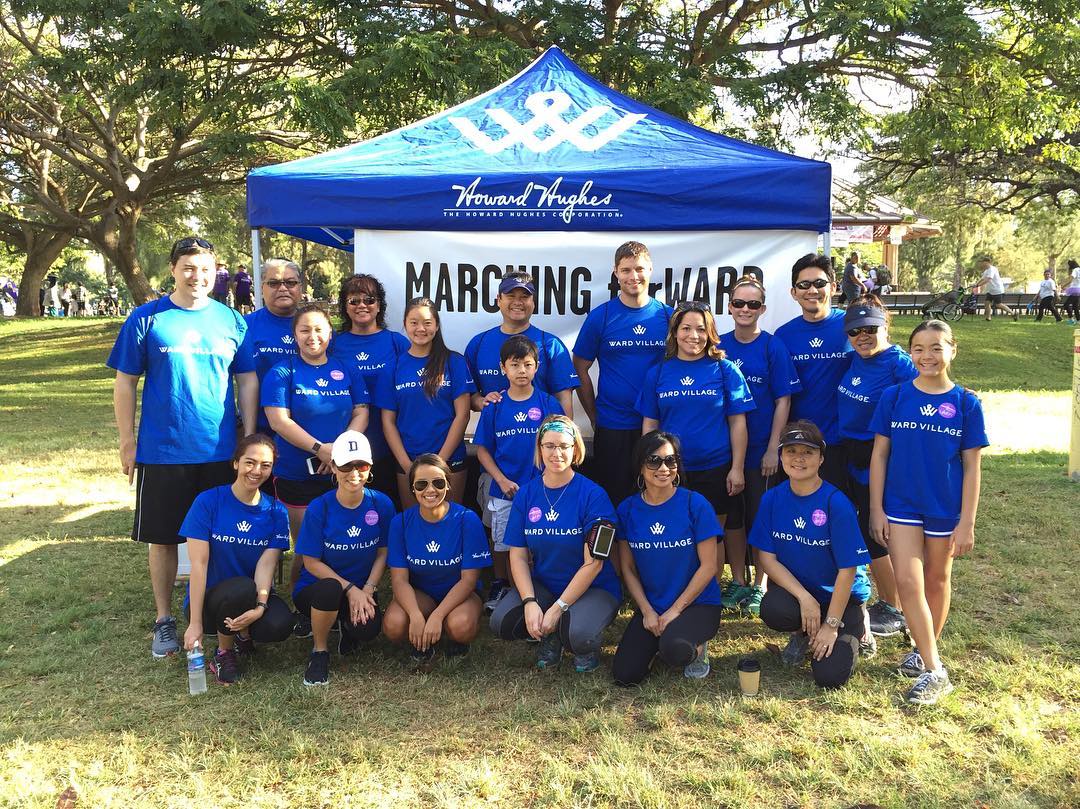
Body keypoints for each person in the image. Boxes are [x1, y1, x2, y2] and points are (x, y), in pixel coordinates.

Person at [108, 235, 258, 658]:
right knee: (164, 538)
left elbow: (246, 379)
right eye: (189, 268)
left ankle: (219, 615)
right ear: (173, 270)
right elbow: (125, 382)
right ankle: (164, 620)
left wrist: (246, 432)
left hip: (219, 448)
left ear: (216, 273)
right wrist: (127, 440)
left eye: (206, 269)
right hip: (163, 450)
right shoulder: (148, 318)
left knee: (222, 536)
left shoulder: (231, 320)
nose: (198, 276)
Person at [869, 320, 988, 704]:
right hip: (902, 505)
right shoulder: (894, 396)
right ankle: (936, 670)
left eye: (936, 348)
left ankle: (923, 650)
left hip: (945, 509)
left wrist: (966, 522)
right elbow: (880, 455)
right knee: (908, 583)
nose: (927, 356)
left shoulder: (966, 403)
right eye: (918, 348)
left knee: (937, 580)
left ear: (953, 350)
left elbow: (972, 467)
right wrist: (876, 508)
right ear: (910, 353)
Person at [636, 302, 754, 592]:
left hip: (715, 467)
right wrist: (649, 466)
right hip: (670, 469)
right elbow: (650, 425)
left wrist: (737, 468)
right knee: (677, 530)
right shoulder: (658, 372)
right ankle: (679, 589)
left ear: (711, 333)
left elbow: (738, 423)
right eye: (686, 328)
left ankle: (709, 597)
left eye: (701, 329)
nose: (694, 335)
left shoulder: (725, 370)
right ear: (674, 333)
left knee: (712, 535)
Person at [490, 416, 621, 673]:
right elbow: (517, 556)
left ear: (575, 450)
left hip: (594, 587)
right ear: (539, 449)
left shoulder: (595, 496)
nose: (556, 453)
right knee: (500, 622)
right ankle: (551, 634)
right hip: (546, 584)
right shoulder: (526, 494)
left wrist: (558, 608)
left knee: (579, 634)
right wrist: (529, 602)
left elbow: (594, 564)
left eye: (564, 446)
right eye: (549, 445)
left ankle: (582, 643)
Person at [749, 421, 871, 689]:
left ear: (821, 458)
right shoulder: (772, 499)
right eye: (791, 451)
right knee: (773, 608)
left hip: (842, 598)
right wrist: (804, 598)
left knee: (828, 676)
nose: (799, 458)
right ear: (780, 456)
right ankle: (803, 631)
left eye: (808, 452)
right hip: (805, 593)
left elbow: (847, 570)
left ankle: (859, 628)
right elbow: (767, 559)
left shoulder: (835, 503)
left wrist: (831, 624)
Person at [262, 303, 370, 588]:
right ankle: (303, 603)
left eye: (319, 329)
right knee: (308, 547)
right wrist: (319, 449)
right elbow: (278, 421)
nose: (313, 336)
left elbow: (361, 412)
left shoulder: (346, 369)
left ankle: (340, 598)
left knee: (340, 541)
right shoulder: (282, 372)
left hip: (343, 470)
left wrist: (339, 449)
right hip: (297, 473)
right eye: (305, 330)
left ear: (330, 333)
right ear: (295, 335)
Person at [836, 296, 918, 649]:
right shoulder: (853, 359)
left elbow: (926, 389)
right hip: (851, 453)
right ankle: (887, 601)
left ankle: (894, 606)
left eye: (870, 328)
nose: (863, 336)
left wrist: (960, 398)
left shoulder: (898, 363)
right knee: (863, 527)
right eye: (855, 331)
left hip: (881, 454)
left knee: (878, 531)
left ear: (885, 327)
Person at [180, 434, 293, 684]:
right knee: (241, 587)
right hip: (210, 602)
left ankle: (243, 635)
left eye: (266, 465)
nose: (256, 471)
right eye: (249, 462)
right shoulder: (209, 501)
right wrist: (195, 623)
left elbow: (267, 564)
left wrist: (260, 607)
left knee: (279, 625)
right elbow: (198, 565)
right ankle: (223, 652)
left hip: (251, 595)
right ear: (235, 463)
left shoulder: (277, 511)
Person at [718, 276, 801, 614]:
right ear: (730, 307)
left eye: (753, 304)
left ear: (762, 309)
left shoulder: (772, 346)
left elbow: (783, 400)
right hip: (725, 451)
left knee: (762, 518)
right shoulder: (718, 345)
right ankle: (738, 580)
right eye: (739, 303)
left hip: (761, 452)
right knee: (733, 519)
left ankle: (760, 585)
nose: (745, 310)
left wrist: (773, 448)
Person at [612, 432, 723, 685]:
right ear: (640, 465)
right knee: (625, 675)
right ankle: (660, 640)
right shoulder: (627, 509)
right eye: (654, 461)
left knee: (675, 650)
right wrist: (647, 611)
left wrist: (675, 610)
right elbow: (627, 568)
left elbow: (709, 567)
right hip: (653, 605)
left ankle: (697, 648)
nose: (663, 468)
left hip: (698, 604)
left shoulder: (695, 504)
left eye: (670, 461)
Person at [573, 241, 673, 505]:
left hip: (659, 426)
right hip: (613, 425)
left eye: (639, 269)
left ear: (651, 270)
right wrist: (594, 415)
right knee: (613, 503)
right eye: (626, 270)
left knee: (656, 500)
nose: (633, 276)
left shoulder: (668, 317)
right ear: (616, 272)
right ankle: (618, 549)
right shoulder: (601, 317)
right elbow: (580, 367)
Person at [293, 431, 395, 687]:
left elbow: (383, 551)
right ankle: (319, 652)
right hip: (317, 590)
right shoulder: (320, 507)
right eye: (346, 466)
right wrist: (349, 589)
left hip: (362, 589)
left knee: (368, 631)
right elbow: (311, 563)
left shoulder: (381, 504)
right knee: (330, 589)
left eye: (361, 465)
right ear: (334, 468)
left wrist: (368, 588)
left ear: (370, 468)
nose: (354, 473)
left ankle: (346, 627)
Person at [472, 335, 563, 609]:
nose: (521, 371)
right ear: (503, 368)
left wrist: (548, 481)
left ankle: (538, 587)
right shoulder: (495, 406)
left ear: (537, 367)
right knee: (501, 540)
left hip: (541, 488)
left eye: (527, 364)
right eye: (515, 365)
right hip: (505, 489)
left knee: (539, 538)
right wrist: (500, 479)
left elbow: (561, 446)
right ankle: (500, 583)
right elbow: (483, 450)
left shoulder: (548, 404)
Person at [383, 454, 491, 665]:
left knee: (461, 627)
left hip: (461, 593)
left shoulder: (466, 519)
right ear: (412, 489)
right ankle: (424, 629)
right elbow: (399, 580)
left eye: (438, 483)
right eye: (421, 484)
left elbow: (469, 580)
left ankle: (446, 633)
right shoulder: (401, 522)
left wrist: (437, 616)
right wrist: (415, 615)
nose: (430, 490)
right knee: (394, 625)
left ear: (448, 485)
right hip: (421, 593)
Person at [376, 298, 475, 509]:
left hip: (450, 462)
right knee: (415, 525)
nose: (421, 328)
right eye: (414, 322)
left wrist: (439, 463)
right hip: (408, 462)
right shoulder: (393, 367)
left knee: (450, 524)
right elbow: (388, 422)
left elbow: (463, 415)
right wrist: (407, 466)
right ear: (404, 324)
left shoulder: (454, 362)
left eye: (428, 322)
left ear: (437, 325)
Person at [329, 274, 411, 507]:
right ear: (345, 307)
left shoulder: (397, 343)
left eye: (369, 299)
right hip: (344, 447)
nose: (362, 305)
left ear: (379, 306)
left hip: (390, 446)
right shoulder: (333, 344)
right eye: (354, 300)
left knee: (387, 514)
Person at [775, 254, 854, 489]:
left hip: (845, 442)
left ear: (833, 287)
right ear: (794, 292)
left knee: (843, 513)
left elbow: (887, 357)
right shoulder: (783, 335)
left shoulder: (852, 326)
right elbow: (781, 395)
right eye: (804, 285)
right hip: (800, 445)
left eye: (819, 283)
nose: (812, 290)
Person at [465, 272, 578, 416]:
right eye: (511, 295)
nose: (518, 302)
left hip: (541, 435)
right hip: (496, 435)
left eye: (524, 297)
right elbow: (469, 395)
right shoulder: (478, 344)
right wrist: (483, 402)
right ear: (498, 300)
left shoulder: (551, 344)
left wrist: (564, 434)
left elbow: (563, 398)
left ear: (533, 302)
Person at [239, 259, 302, 435]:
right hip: (261, 430)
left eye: (290, 282)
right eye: (273, 283)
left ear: (300, 287)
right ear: (261, 287)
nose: (283, 288)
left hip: (309, 431)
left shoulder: (316, 326)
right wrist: (248, 434)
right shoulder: (244, 327)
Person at [970, 257, 1017, 321]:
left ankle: (1013, 313)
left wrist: (978, 285)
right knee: (987, 303)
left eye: (983, 262)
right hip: (991, 290)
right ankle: (988, 318)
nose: (982, 264)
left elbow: (988, 279)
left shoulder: (992, 269)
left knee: (998, 304)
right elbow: (982, 279)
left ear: (987, 262)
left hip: (997, 289)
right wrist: (976, 284)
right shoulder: (986, 270)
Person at [1063, 259, 1080, 323]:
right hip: (1078, 290)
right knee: (1075, 306)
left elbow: (1070, 279)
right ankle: (1078, 320)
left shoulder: (1075, 270)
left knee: (1066, 305)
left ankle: (1071, 319)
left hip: (1075, 289)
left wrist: (1063, 286)